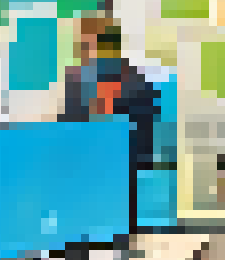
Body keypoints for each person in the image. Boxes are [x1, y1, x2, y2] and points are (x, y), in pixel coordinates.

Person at [63, 15, 163, 166]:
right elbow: (69, 129)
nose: (85, 55)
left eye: (91, 46)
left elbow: (146, 145)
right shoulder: (77, 83)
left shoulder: (139, 87)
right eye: (83, 46)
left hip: (123, 168)